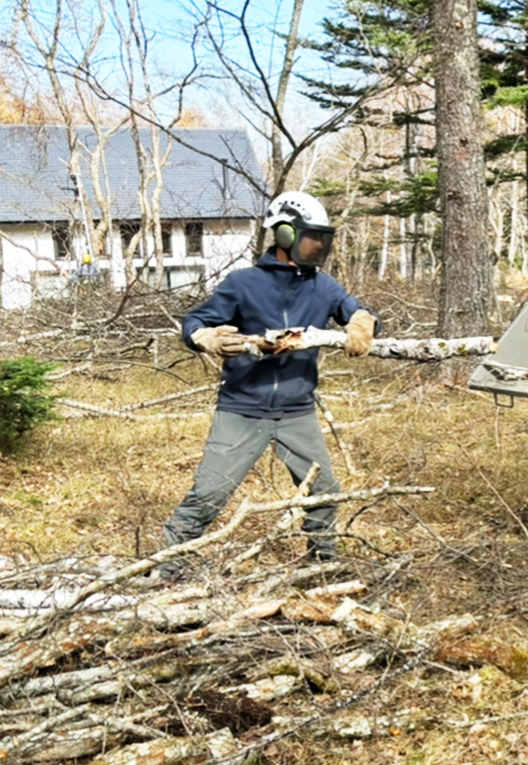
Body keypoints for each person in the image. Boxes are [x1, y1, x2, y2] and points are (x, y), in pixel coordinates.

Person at [159, 191, 377, 580]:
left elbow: (353, 309)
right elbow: (195, 321)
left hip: (297, 411)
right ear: (285, 235)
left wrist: (362, 321)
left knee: (324, 492)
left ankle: (323, 568)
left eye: (323, 238)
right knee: (209, 494)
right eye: (312, 237)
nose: (318, 246)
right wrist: (204, 337)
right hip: (242, 408)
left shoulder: (323, 287)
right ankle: (165, 566)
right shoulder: (243, 283)